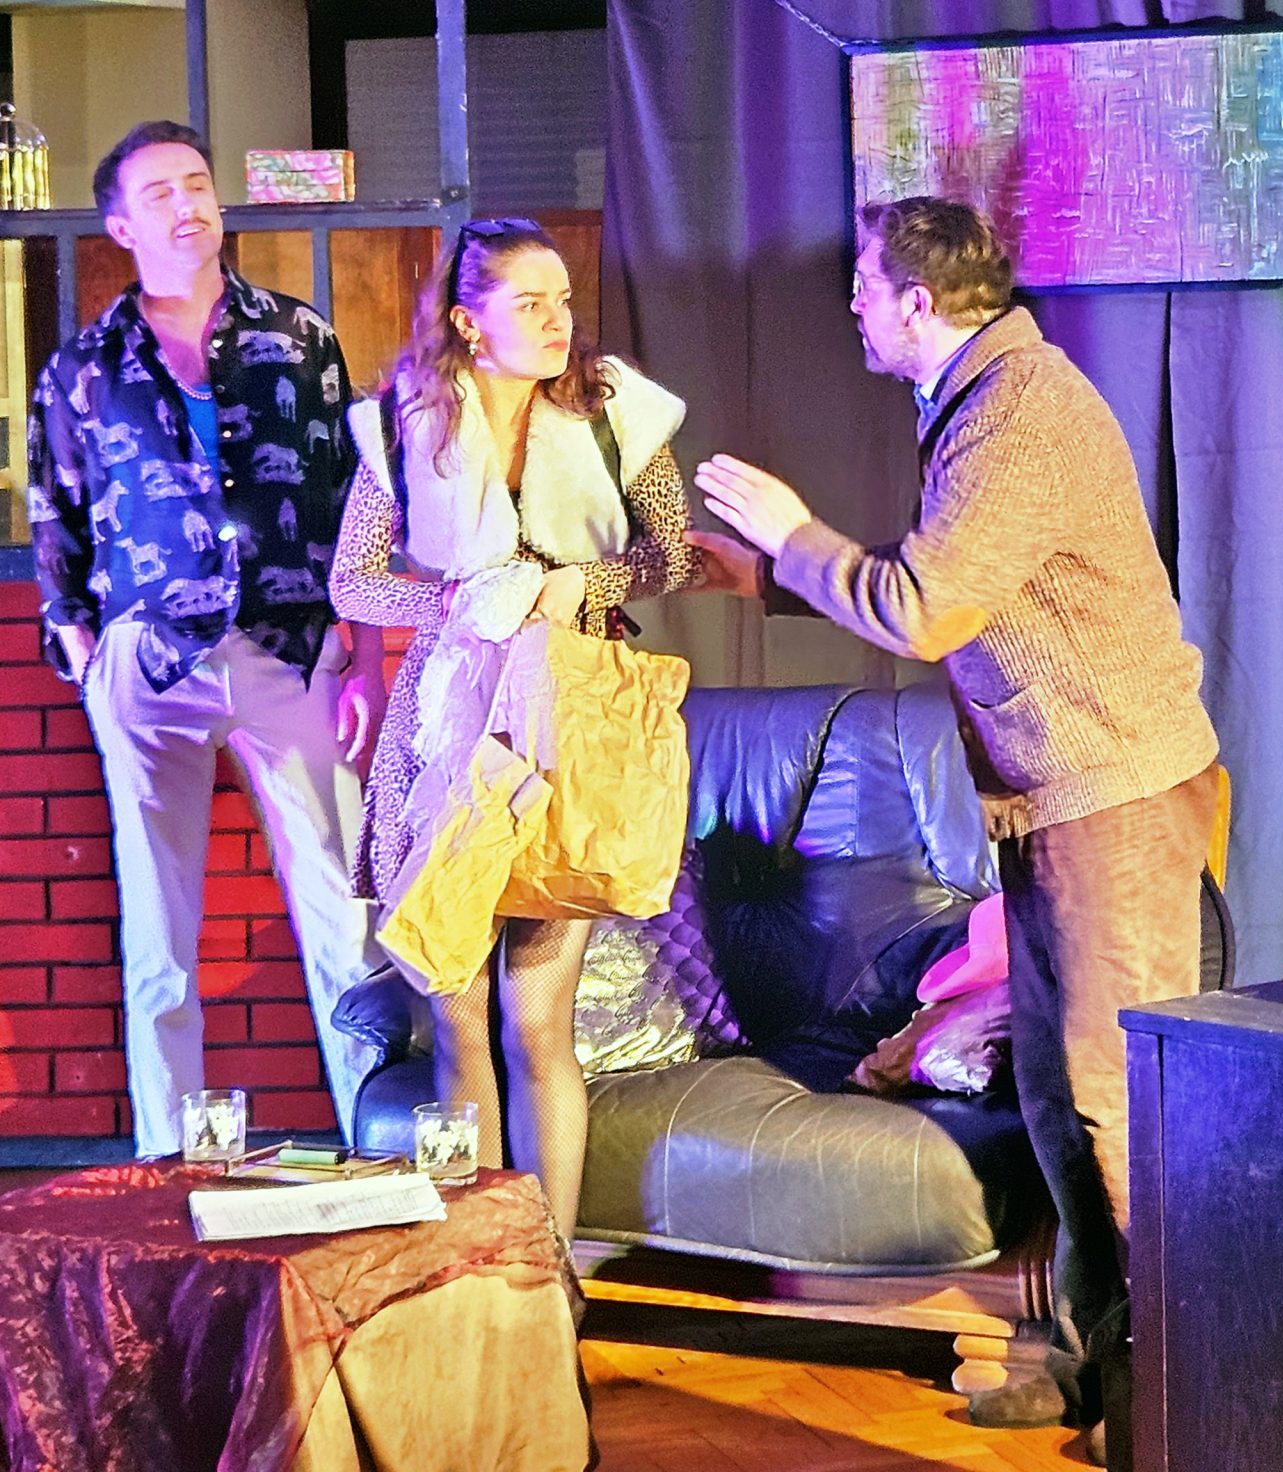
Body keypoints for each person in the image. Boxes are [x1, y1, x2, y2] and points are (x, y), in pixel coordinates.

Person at [692, 196, 1223, 1470]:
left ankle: (1180, 1407)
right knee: (1055, 1097)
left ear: (918, 301)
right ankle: (1097, 1366)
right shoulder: (981, 401)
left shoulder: (1017, 409)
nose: (854, 307)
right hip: (1057, 798)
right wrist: (768, 578)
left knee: (1111, 1106)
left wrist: (792, 534)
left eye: (866, 288)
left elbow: (926, 606)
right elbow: (956, 578)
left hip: (1111, 795)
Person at [329, 216, 700, 1241]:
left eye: (563, 301)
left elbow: (673, 554)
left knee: (537, 1020)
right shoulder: (403, 423)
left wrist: (583, 582)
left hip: (569, 712)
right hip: (447, 724)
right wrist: (452, 602)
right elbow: (352, 579)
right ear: (467, 321)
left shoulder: (614, 409)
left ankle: (551, 1272)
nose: (556, 321)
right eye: (529, 304)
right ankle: (476, 1265)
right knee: (454, 1013)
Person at [27, 120, 387, 1159]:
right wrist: (85, 653)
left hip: (292, 651)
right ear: (119, 227)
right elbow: (55, 516)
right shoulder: (84, 367)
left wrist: (363, 656)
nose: (186, 206)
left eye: (196, 184)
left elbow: (353, 504)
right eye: (159, 194)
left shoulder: (301, 339)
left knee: (345, 917)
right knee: (160, 936)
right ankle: (170, 1162)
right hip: (149, 664)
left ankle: (378, 1151)